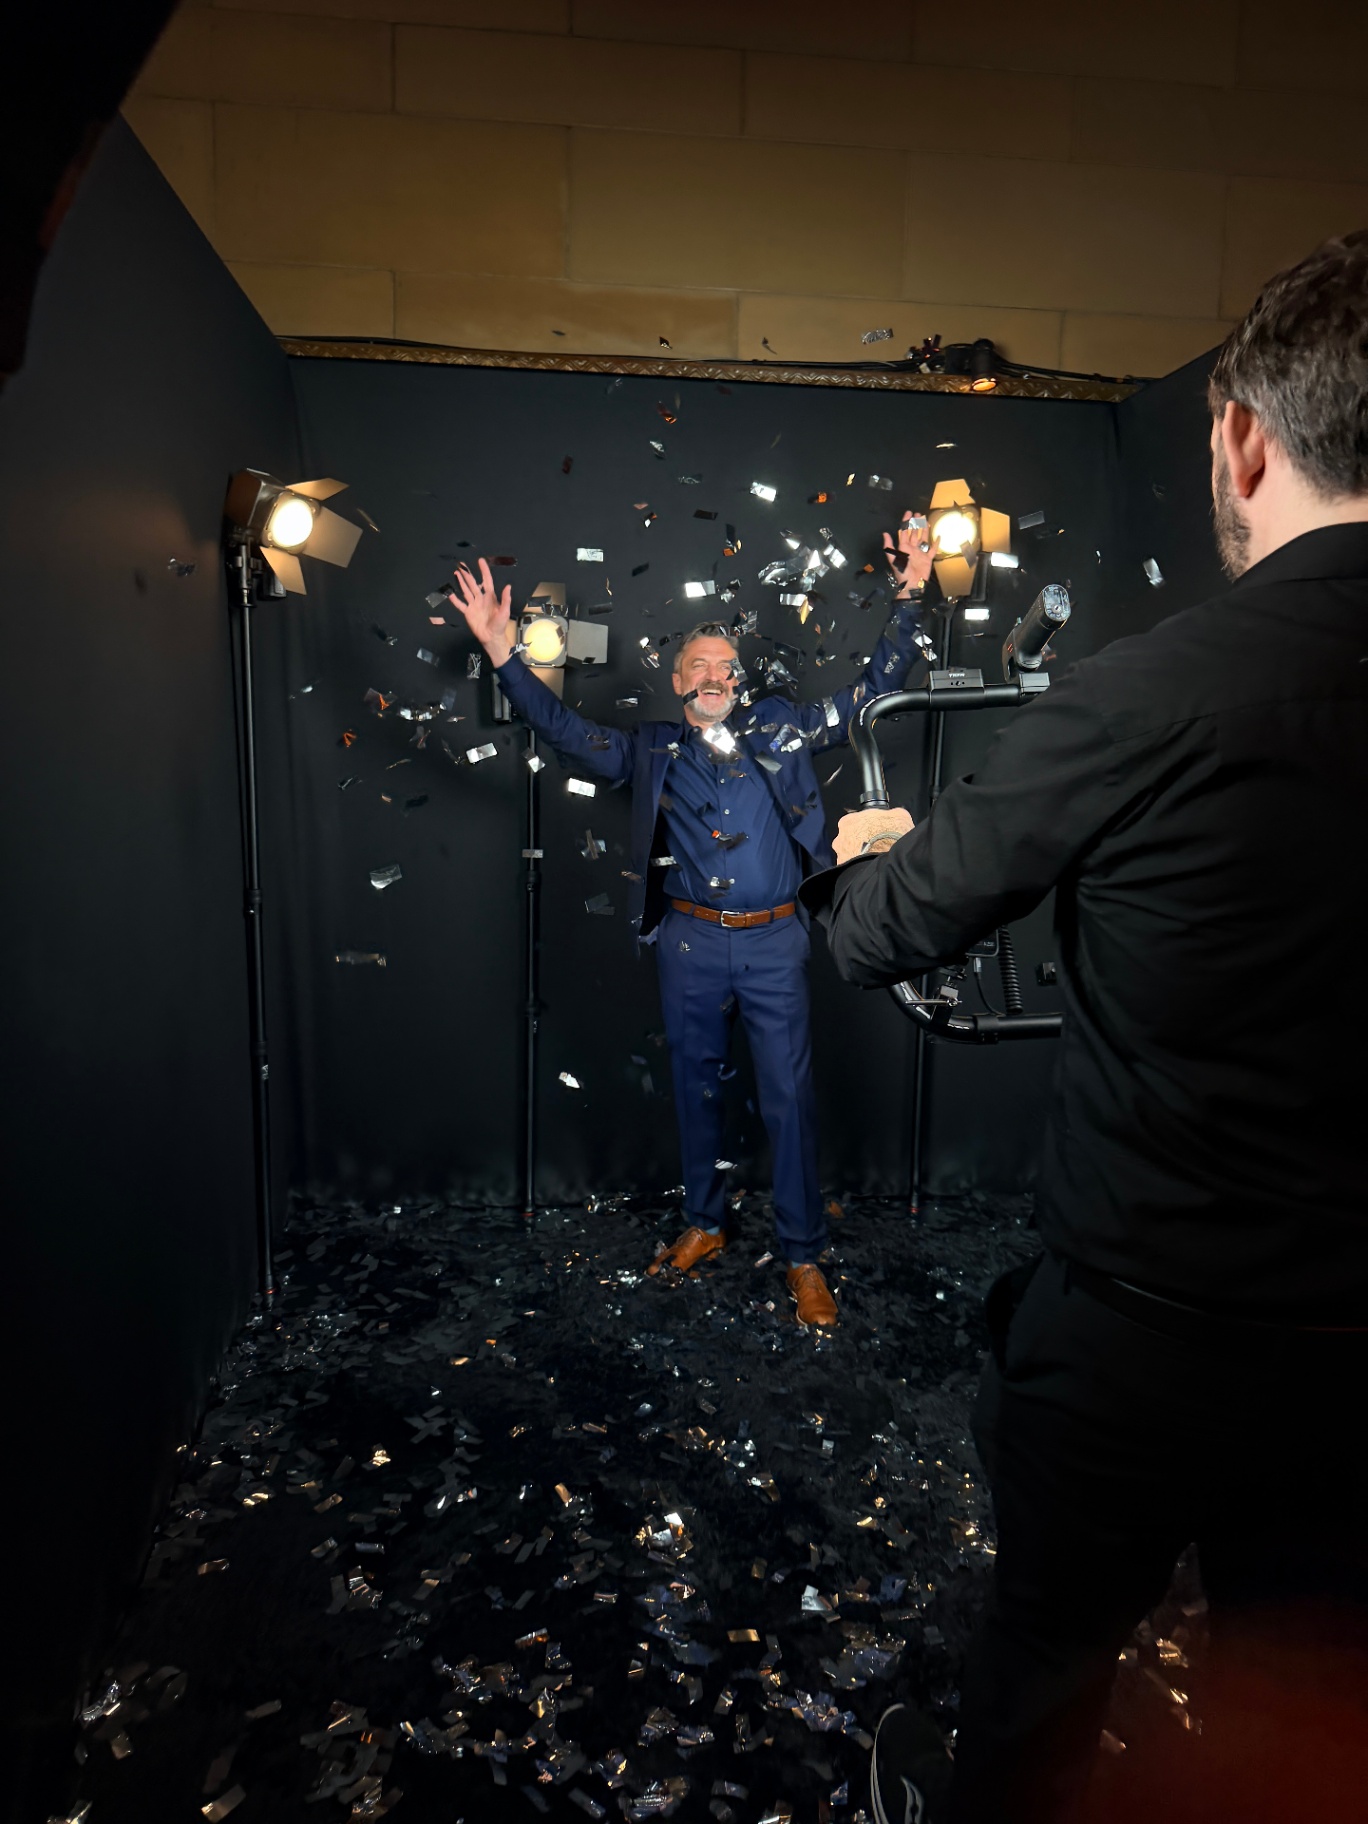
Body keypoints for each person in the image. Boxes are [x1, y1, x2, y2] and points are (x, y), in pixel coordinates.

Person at [804, 233, 1368, 1821]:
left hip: (1141, 1342)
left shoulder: (1143, 695)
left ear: (1246, 435)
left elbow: (882, 936)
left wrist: (878, 858)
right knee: (1319, 1720)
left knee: (1047, 1678)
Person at [448, 519, 935, 1327]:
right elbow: (565, 732)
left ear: (740, 682)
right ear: (678, 683)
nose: (714, 675)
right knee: (694, 1089)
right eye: (698, 666)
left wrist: (911, 592)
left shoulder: (784, 730)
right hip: (689, 942)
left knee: (790, 1097)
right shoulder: (649, 750)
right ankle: (705, 1224)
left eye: (725, 666)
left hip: (776, 940)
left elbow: (871, 687)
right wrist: (504, 655)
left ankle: (803, 1253)